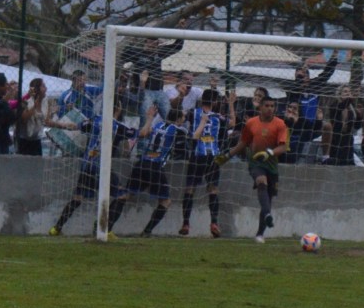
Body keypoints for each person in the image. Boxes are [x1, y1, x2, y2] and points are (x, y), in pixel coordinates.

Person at [50, 102, 136, 237]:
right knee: (122, 195)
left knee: (78, 197)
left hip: (87, 164)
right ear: (118, 109)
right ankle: (104, 229)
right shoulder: (118, 126)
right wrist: (149, 120)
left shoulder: (94, 120)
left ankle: (56, 228)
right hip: (102, 167)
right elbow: (138, 133)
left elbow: (76, 126)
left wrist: (57, 124)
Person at [215, 94, 288, 243]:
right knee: (261, 181)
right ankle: (267, 214)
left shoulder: (280, 124)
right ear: (260, 107)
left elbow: (283, 147)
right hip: (255, 162)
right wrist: (227, 156)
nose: (269, 109)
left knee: (269, 198)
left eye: (272, 106)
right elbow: (243, 143)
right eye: (266, 106)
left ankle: (260, 233)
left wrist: (270, 153)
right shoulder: (251, 124)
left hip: (271, 165)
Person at [106, 106, 187, 237]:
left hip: (142, 163)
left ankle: (104, 226)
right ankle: (147, 232)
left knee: (124, 195)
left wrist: (149, 118)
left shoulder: (158, 125)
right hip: (155, 168)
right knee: (166, 202)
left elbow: (145, 133)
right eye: (183, 117)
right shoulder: (178, 130)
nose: (185, 120)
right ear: (178, 119)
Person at [178, 89, 234, 237]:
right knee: (213, 189)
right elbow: (233, 123)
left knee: (190, 189)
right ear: (215, 102)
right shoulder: (218, 117)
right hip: (213, 157)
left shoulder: (193, 112)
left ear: (202, 100)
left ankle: (185, 223)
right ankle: (214, 222)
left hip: (197, 156)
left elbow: (181, 118)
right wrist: (231, 104)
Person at [124, 20, 186, 119]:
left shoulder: (159, 53)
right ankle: (144, 133)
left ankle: (168, 131)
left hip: (159, 91)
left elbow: (177, 46)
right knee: (146, 117)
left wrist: (181, 30)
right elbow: (123, 55)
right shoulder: (136, 52)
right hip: (145, 91)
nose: (152, 44)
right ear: (145, 41)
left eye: (155, 41)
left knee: (169, 117)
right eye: (150, 41)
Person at [285, 56, 338, 162]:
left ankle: (325, 157)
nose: (300, 79)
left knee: (327, 125)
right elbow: (296, 85)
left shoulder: (315, 86)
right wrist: (300, 75)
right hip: (299, 127)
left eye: (302, 76)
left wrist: (334, 57)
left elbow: (326, 74)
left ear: (308, 78)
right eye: (298, 77)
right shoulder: (292, 91)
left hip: (314, 125)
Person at [17, 78, 76, 156]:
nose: (46, 88)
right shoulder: (27, 102)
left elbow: (47, 121)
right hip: (24, 140)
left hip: (36, 140)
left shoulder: (46, 101)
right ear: (37, 89)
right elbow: (24, 119)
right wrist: (35, 104)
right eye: (43, 86)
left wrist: (64, 125)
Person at [322, 84, 361, 166]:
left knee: (348, 165)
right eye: (345, 91)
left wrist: (359, 116)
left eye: (349, 91)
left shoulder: (352, 109)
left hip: (348, 141)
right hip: (336, 140)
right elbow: (340, 107)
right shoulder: (334, 105)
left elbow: (357, 126)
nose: (348, 93)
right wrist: (350, 99)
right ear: (339, 94)